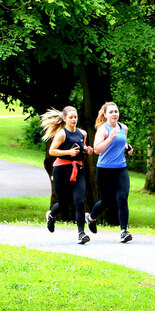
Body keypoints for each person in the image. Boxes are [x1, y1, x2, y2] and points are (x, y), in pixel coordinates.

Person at [41, 106, 94, 244]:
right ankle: (51, 216)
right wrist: (68, 153)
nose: (73, 119)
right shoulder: (61, 134)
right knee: (63, 202)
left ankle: (81, 233)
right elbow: (52, 151)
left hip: (78, 170)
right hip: (61, 170)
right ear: (64, 119)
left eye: (75, 117)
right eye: (70, 117)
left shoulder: (82, 133)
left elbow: (82, 148)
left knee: (79, 201)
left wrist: (87, 150)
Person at [85, 102, 134, 243]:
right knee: (106, 201)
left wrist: (128, 148)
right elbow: (97, 149)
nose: (114, 114)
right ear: (105, 115)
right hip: (105, 169)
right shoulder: (103, 129)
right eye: (111, 112)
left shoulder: (123, 128)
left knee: (122, 199)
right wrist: (110, 138)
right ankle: (91, 218)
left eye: (116, 111)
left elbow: (123, 143)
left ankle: (124, 232)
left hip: (121, 168)